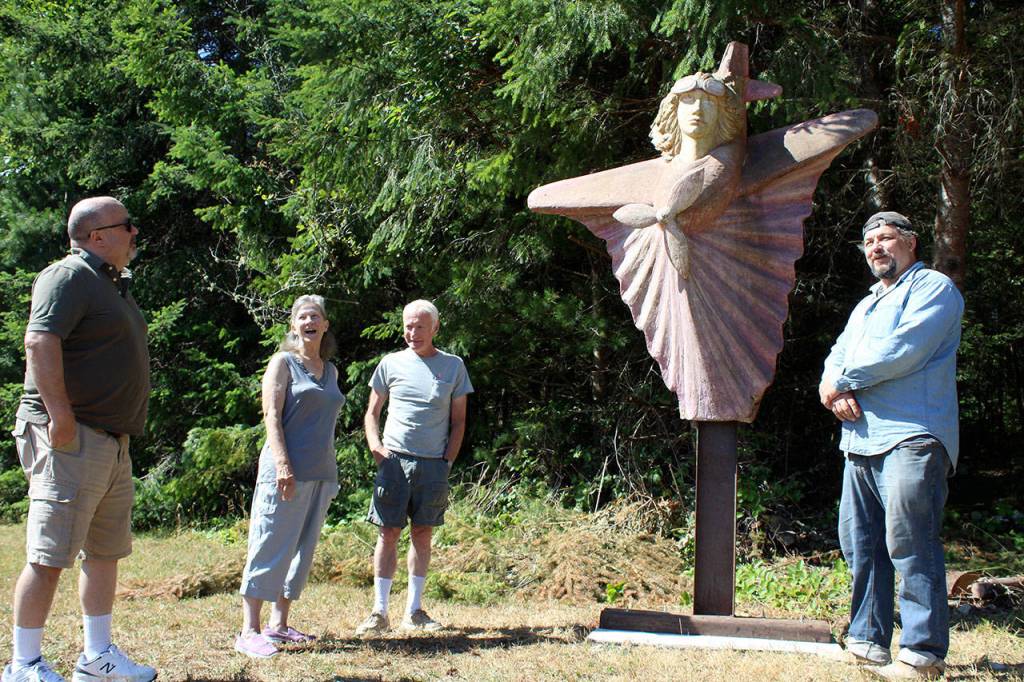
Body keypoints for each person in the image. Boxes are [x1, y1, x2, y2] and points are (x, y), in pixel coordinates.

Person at [5, 197, 155, 682]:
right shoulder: (68, 275)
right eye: (126, 226)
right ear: (97, 236)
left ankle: (97, 659)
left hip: (111, 440)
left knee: (105, 552)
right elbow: (39, 340)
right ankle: (23, 664)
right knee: (50, 554)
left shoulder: (112, 285)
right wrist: (61, 418)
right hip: (72, 437)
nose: (134, 233)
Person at [819, 211, 963, 680]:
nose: (877, 247)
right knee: (860, 543)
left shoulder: (933, 289)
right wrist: (834, 385)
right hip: (860, 441)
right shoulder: (865, 306)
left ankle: (922, 653)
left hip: (913, 436)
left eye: (886, 238)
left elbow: (905, 349)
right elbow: (837, 353)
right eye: (870, 242)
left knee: (910, 540)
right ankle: (866, 642)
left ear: (911, 243)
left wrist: (842, 381)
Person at [235, 295, 346, 658]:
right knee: (269, 543)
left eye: (315, 316)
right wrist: (283, 466)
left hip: (321, 474)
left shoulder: (330, 370)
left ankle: (279, 626)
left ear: (325, 325)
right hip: (285, 472)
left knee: (301, 551)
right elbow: (271, 415)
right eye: (302, 316)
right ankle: (249, 630)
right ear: (294, 325)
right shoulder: (283, 363)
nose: (309, 321)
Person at [355, 300, 472, 636]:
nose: (412, 333)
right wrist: (376, 448)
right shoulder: (390, 364)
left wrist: (447, 460)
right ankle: (379, 612)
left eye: (420, 326)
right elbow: (371, 413)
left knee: (422, 533)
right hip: (393, 462)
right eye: (408, 326)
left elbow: (459, 420)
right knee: (387, 533)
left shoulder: (453, 366)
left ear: (435, 328)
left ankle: (415, 611)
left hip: (433, 465)